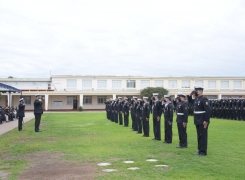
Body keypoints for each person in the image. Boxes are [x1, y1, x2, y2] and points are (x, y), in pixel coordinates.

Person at [189, 86, 211, 156]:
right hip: (197, 119)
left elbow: (208, 110)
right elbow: (190, 101)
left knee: (203, 136)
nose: (195, 92)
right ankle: (200, 150)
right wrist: (190, 94)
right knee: (199, 136)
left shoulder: (204, 99)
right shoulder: (196, 99)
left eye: (197, 91)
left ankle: (203, 152)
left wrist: (206, 120)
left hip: (202, 120)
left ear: (201, 91)